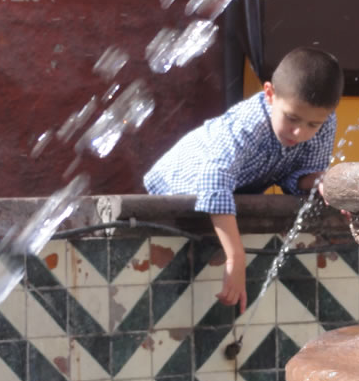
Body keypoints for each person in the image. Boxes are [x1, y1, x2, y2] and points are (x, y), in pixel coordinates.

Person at [144, 47, 343, 312]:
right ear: (270, 94)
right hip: (177, 183)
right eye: (292, 118)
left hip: (229, 192)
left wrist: (324, 183)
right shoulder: (248, 124)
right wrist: (235, 257)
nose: (300, 132)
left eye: (312, 125)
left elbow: (300, 176)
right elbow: (214, 183)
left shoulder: (324, 123)